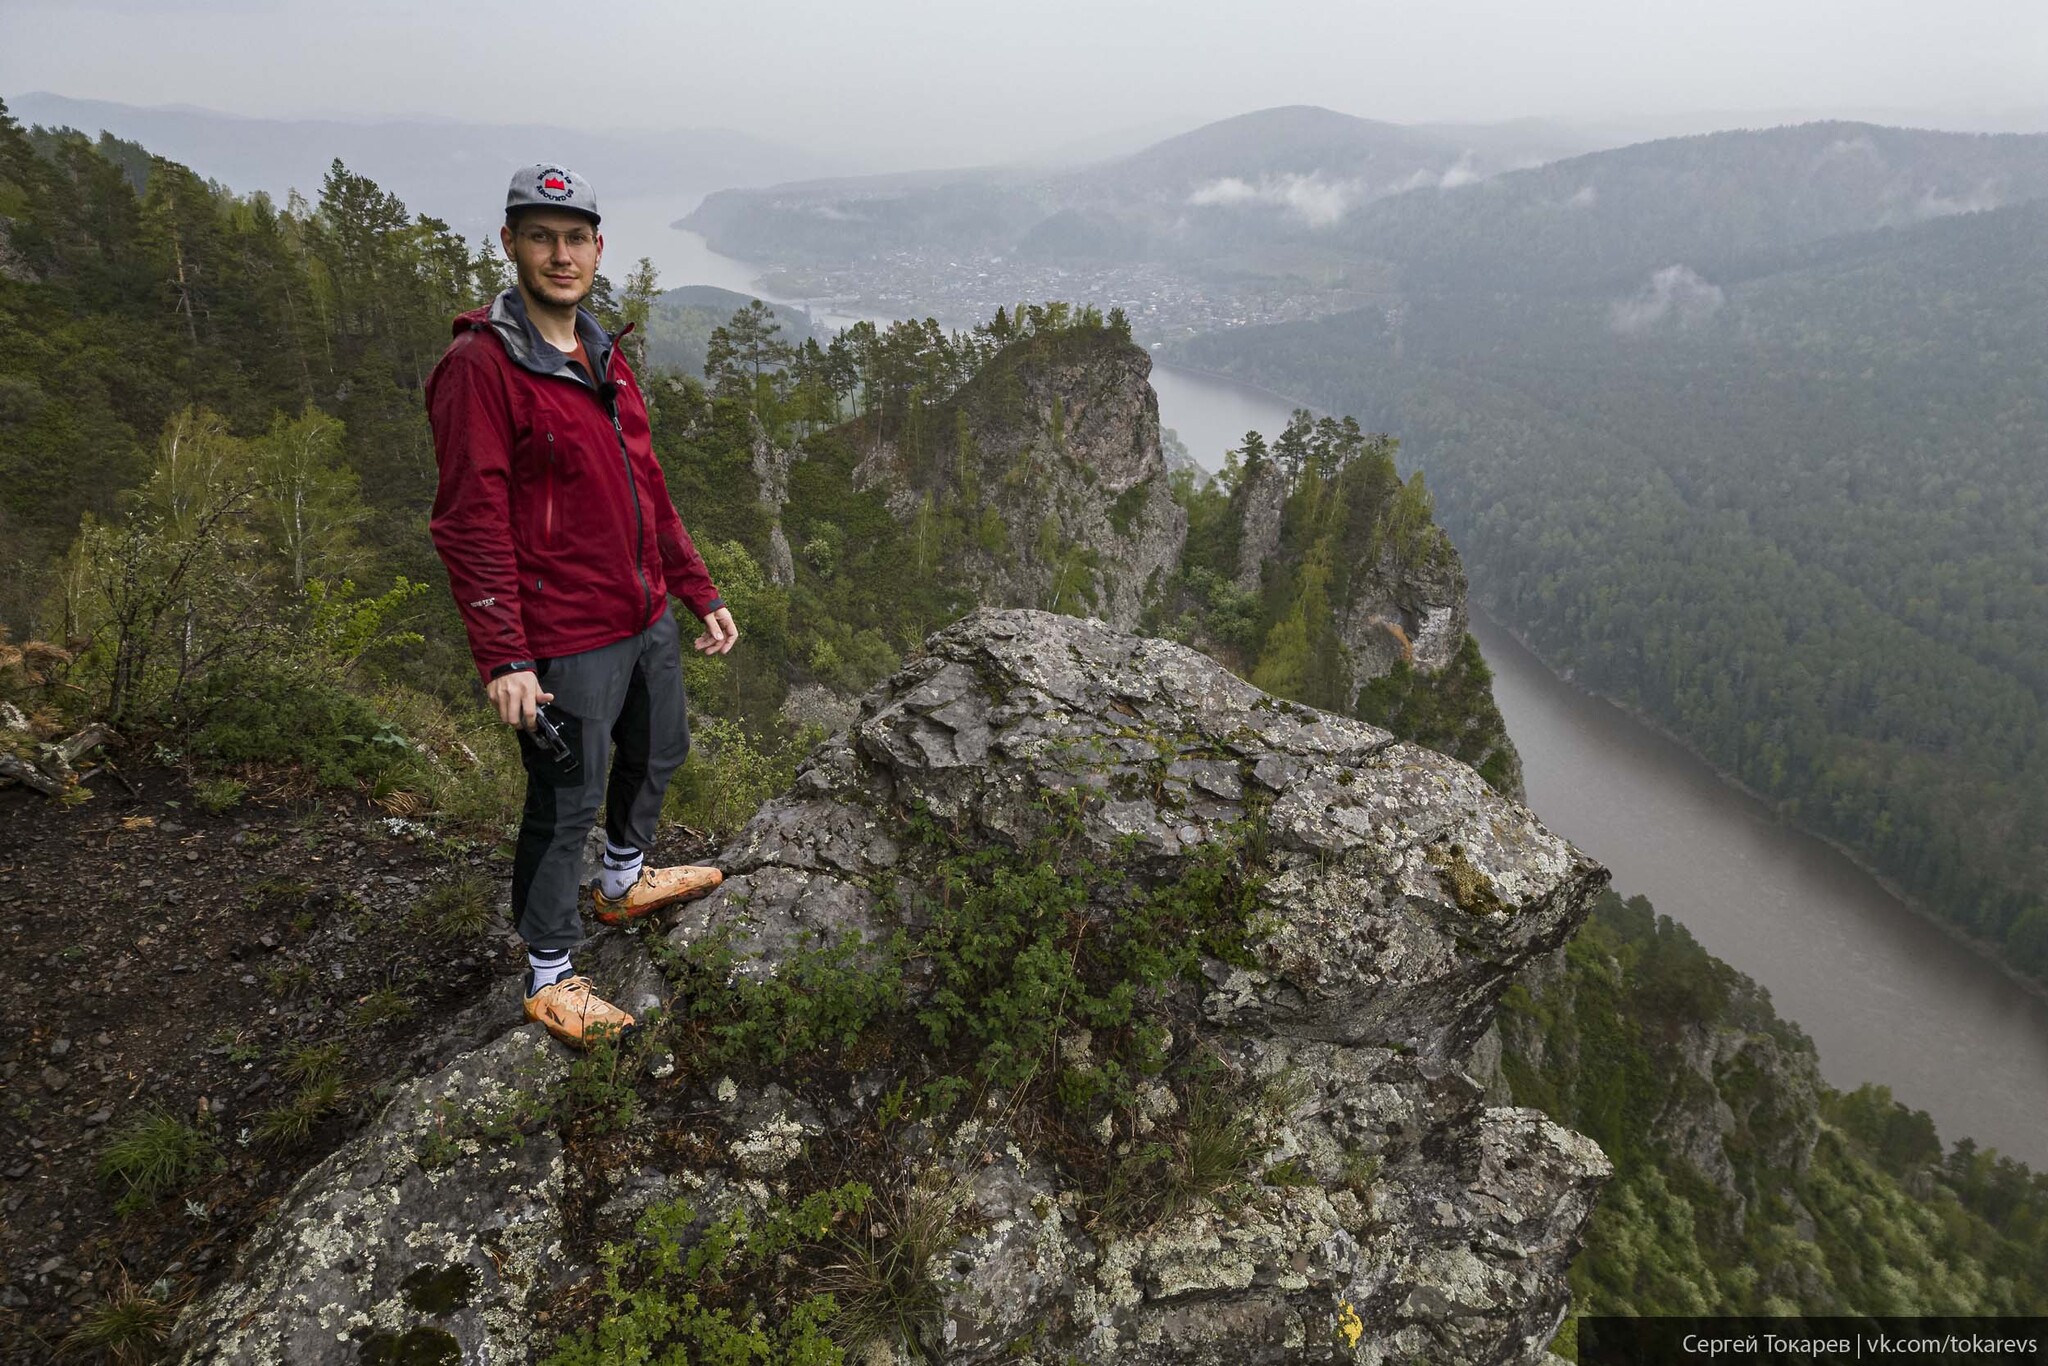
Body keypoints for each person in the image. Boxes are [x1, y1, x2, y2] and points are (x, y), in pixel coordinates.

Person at [425, 163, 737, 1048]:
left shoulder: (602, 352)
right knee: (565, 800)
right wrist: (505, 654)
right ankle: (549, 972)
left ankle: (620, 882)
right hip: (562, 633)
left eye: (575, 238)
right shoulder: (480, 367)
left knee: (660, 750)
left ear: (598, 249)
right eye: (541, 236)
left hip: (643, 616)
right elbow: (468, 519)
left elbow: (649, 489)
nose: (560, 255)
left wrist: (696, 588)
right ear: (511, 245)